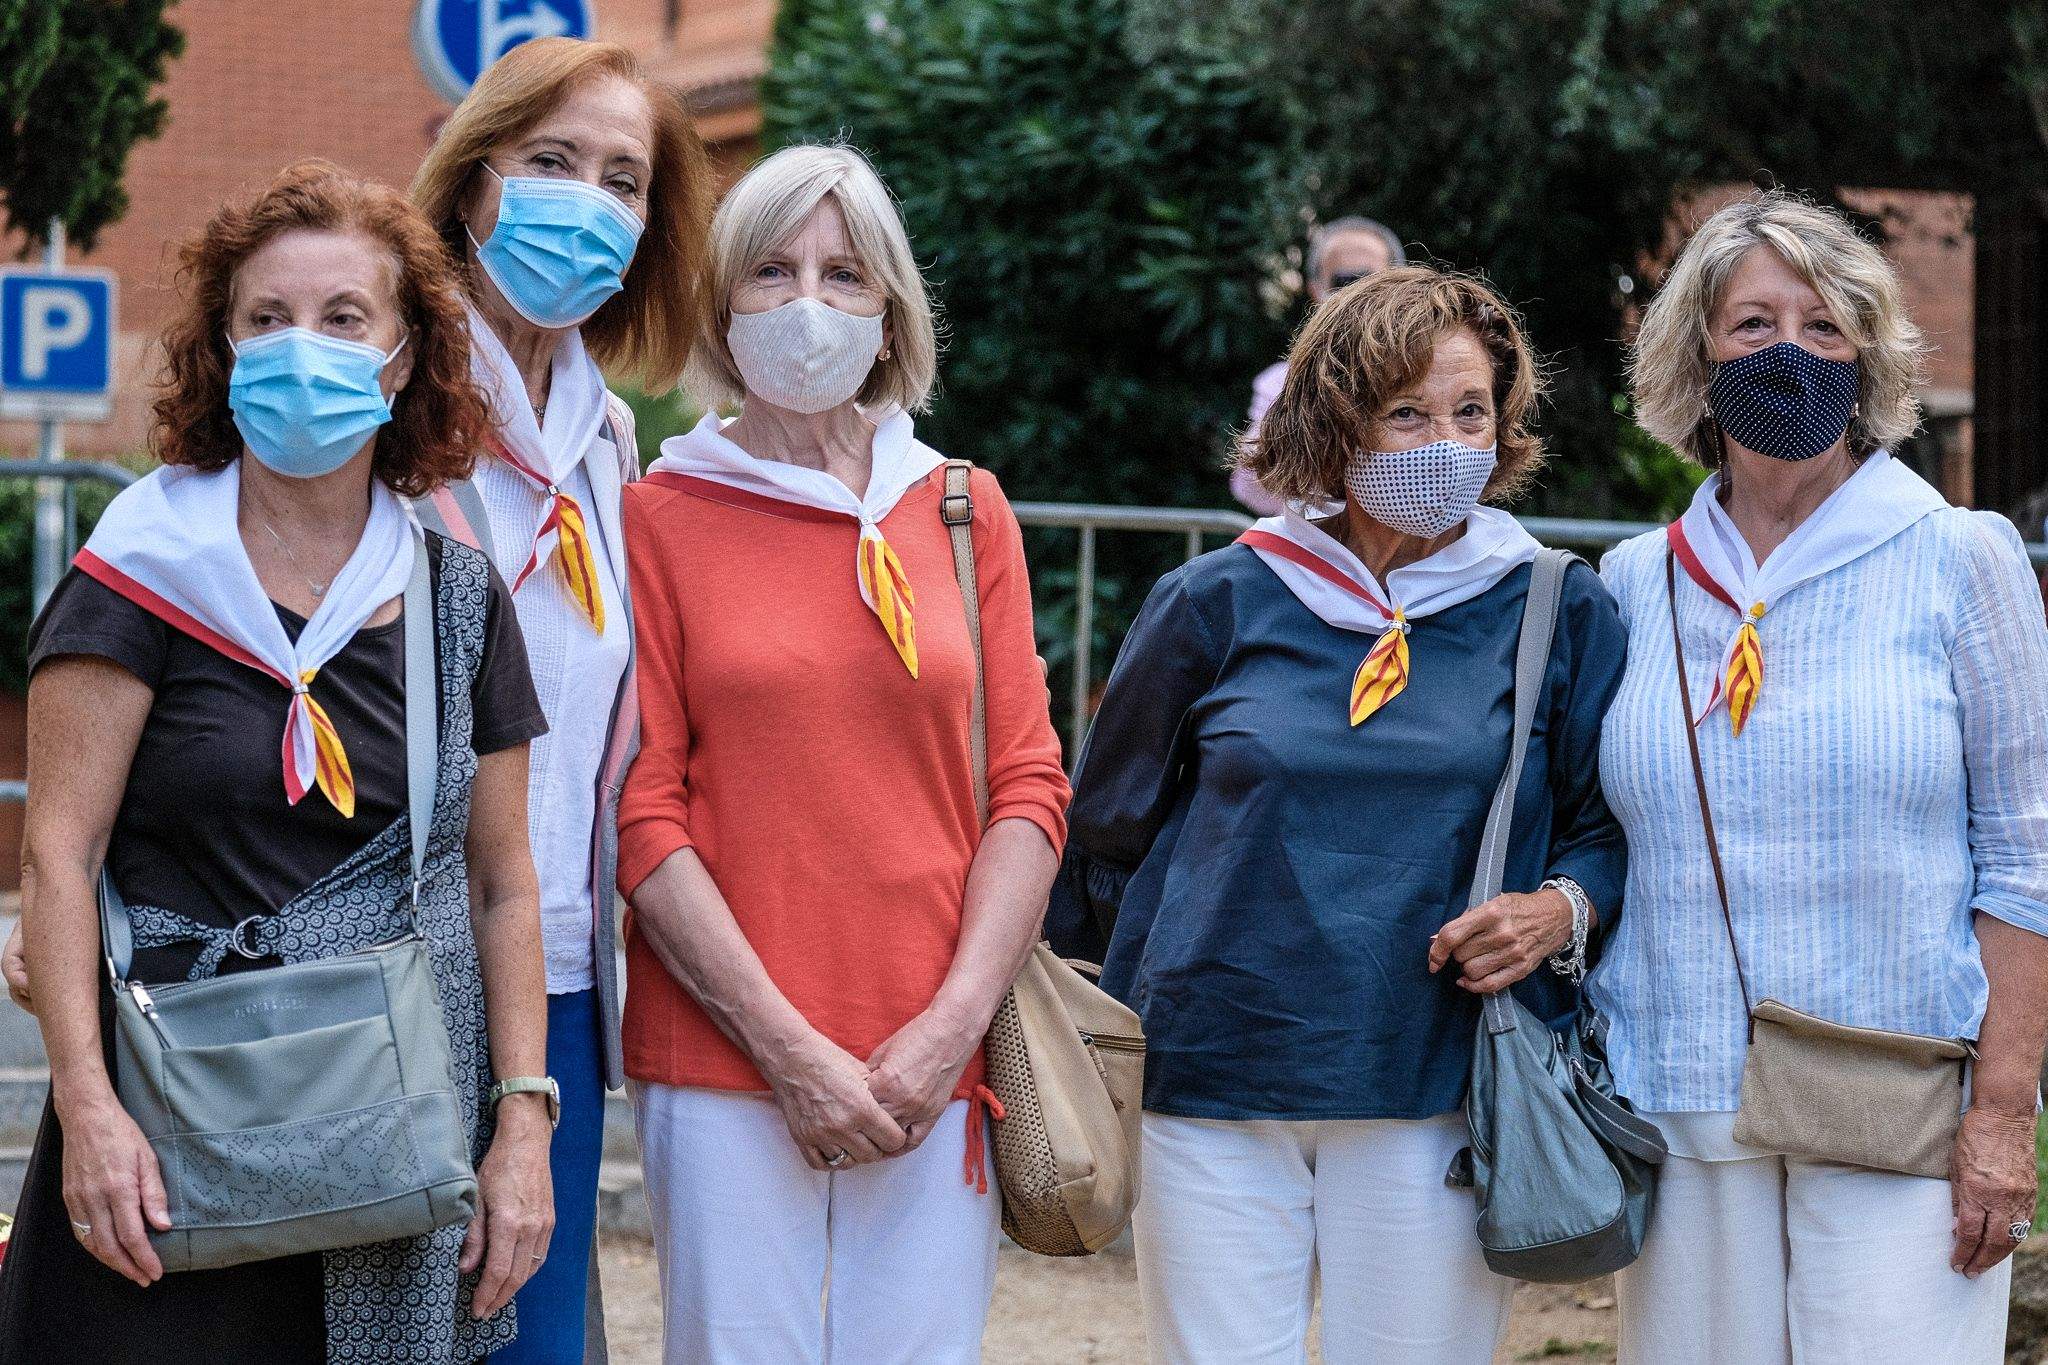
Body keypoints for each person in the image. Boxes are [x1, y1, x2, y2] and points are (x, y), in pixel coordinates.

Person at [0, 162, 554, 1362]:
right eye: (267, 319)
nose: (302, 346)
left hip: (389, 1132)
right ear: (225, 348)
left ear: (402, 356)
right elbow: (56, 855)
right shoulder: (136, 578)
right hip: (161, 1128)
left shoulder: (457, 601)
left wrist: (522, 1128)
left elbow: (504, 885)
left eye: (343, 318)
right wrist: (86, 1111)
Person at [1048, 266, 1627, 1364]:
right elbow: (1105, 835)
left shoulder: (1554, 605)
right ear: (1332, 422)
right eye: (1405, 410)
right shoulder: (1215, 600)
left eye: (1469, 411)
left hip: (1435, 1078)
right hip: (1208, 1079)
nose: (1445, 441)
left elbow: (1606, 829)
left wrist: (1555, 909)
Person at [617, 142, 1069, 1364]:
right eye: (770, 271)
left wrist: (949, 1028)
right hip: (723, 1058)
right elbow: (643, 811)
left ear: (889, 318)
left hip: (936, 1058)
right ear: (721, 306)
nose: (806, 303)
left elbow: (1025, 786)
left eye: (842, 275)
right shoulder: (656, 517)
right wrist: (784, 1048)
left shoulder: (965, 509)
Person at [1591, 191, 2048, 1361]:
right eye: (1750, 325)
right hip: (1679, 1094)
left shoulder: (1958, 558)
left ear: (1866, 357)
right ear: (1696, 354)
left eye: (1823, 326)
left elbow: (2026, 855)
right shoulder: (1633, 585)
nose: (1786, 352)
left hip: (1894, 1096)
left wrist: (1999, 1118)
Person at [408, 35, 712, 1362]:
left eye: (622, 179)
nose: (584, 200)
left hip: (564, 976)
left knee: (539, 1333)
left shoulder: (606, 436)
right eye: (549, 162)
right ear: (474, 184)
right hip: (397, 973)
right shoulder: (383, 395)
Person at [1234, 214, 1407, 514]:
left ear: (1400, 288)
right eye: (1345, 282)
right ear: (1317, 291)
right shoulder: (1282, 382)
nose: (1357, 296)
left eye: (1372, 281)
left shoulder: (1427, 372)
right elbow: (1250, 486)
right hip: (1313, 547)